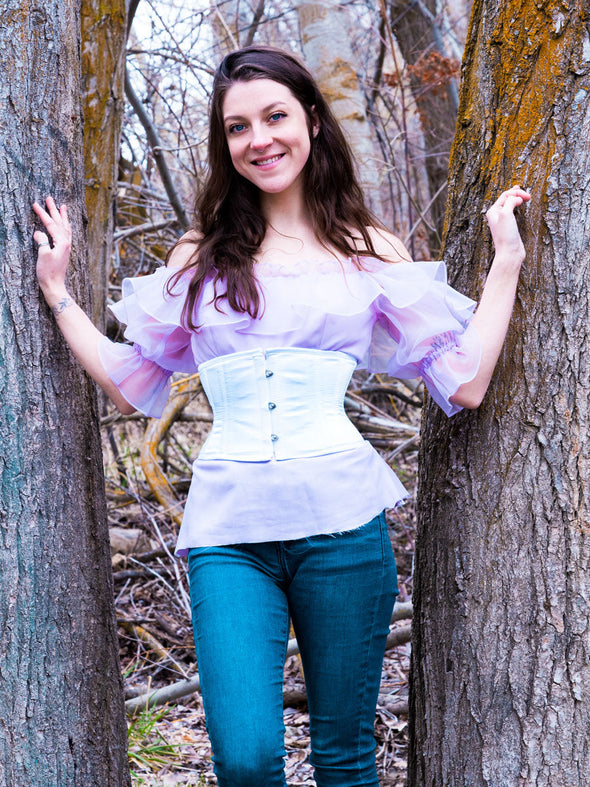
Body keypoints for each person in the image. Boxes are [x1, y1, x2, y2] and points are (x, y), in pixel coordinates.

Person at [33, 45, 530, 787]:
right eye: (237, 127)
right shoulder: (200, 255)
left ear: (313, 122)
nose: (259, 139)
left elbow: (463, 382)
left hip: (344, 534)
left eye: (274, 116)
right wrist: (58, 291)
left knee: (344, 759)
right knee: (245, 758)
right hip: (230, 539)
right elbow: (129, 379)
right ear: (224, 144)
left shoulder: (367, 250)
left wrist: (506, 263)